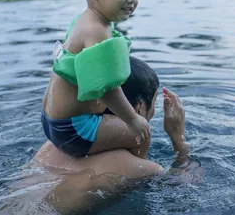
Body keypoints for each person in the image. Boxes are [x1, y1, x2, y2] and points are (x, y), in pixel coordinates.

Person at [33, 57, 190, 214]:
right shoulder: (144, 170)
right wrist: (178, 139)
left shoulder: (55, 144)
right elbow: (187, 187)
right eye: (154, 103)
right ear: (138, 109)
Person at [41, 0, 150, 159]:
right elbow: (107, 88)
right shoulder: (97, 30)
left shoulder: (83, 22)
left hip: (52, 121)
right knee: (142, 133)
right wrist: (133, 121)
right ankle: (140, 177)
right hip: (74, 130)